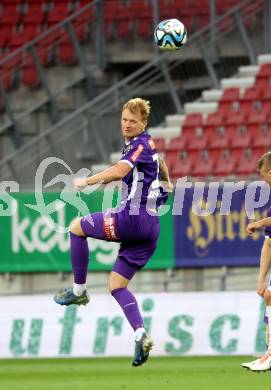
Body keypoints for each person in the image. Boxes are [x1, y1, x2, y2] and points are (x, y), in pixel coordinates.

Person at [54, 98, 173, 367]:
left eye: (133, 121)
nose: (127, 124)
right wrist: (164, 171)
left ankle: (79, 290)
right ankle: (141, 334)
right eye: (124, 119)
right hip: (150, 228)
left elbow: (120, 171)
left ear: (144, 123)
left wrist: (88, 180)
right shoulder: (149, 146)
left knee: (76, 228)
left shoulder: (140, 144)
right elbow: (167, 185)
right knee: (117, 285)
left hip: (131, 218)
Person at [242, 151, 271, 387]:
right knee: (270, 324)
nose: (263, 180)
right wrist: (261, 279)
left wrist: (259, 222)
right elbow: (269, 243)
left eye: (263, 175)